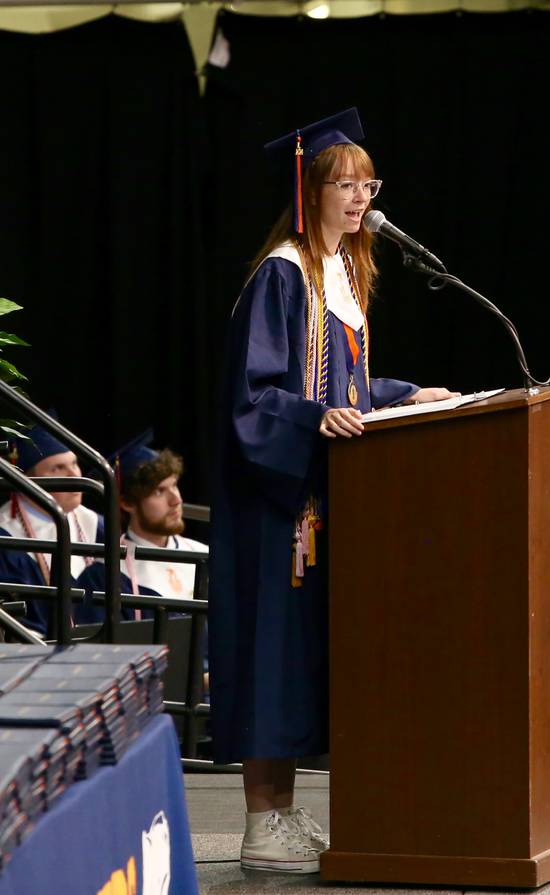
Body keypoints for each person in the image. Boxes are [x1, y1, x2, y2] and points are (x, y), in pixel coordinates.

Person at [209, 107, 459, 874]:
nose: (358, 196)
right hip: (274, 507)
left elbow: (342, 388)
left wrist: (402, 394)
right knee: (269, 652)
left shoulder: (342, 278)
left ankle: (281, 814)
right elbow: (253, 399)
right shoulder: (282, 275)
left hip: (313, 504)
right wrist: (322, 418)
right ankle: (261, 822)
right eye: (342, 182)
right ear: (309, 190)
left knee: (298, 656)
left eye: (366, 182)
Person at [75, 430, 207, 623]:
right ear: (127, 503)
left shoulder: (205, 556)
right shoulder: (105, 577)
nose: (176, 500)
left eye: (175, 485)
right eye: (159, 491)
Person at [0, 419, 103, 636]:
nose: (75, 475)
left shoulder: (97, 525)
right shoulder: (7, 535)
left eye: (74, 463)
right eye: (58, 468)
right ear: (28, 479)